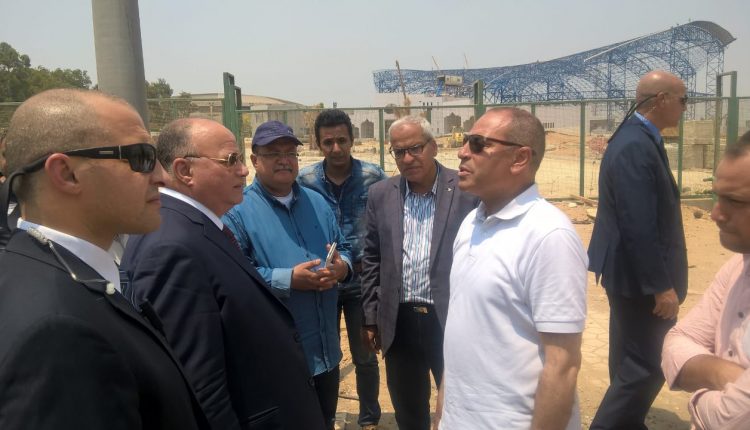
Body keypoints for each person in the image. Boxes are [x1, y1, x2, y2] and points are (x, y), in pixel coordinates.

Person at [0, 88, 208, 429]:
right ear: (66, 173)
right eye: (141, 157)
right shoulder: (57, 334)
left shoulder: (43, 271)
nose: (162, 176)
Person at [121, 118, 326, 429]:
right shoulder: (171, 246)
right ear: (184, 170)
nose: (243, 171)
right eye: (231, 160)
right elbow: (199, 388)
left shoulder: (194, 227)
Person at [433, 107, 587, 429]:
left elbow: (562, 365)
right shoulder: (471, 223)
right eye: (465, 141)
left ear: (519, 159)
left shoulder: (548, 235)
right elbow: (463, 329)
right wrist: (442, 414)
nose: (462, 152)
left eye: (478, 144)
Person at [223, 120, 352, 430]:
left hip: (326, 352)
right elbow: (233, 276)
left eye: (290, 153)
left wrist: (342, 267)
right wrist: (288, 279)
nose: (284, 160)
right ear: (254, 160)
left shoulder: (317, 203)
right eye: (273, 153)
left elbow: (344, 246)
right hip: (278, 359)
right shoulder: (237, 211)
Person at [361, 115, 478, 430]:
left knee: (459, 406)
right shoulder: (381, 194)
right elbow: (371, 257)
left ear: (434, 147)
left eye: (415, 148)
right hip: (399, 321)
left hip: (450, 318)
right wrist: (370, 317)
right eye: (399, 151)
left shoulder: (466, 191)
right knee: (408, 408)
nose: (407, 158)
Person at [588, 70, 689, 429]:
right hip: (639, 279)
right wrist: (660, 286)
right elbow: (638, 223)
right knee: (649, 363)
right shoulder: (635, 144)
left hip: (628, 274)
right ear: (661, 100)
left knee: (628, 358)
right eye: (683, 100)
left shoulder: (637, 137)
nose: (685, 108)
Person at [298, 109, 387, 430]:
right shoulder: (305, 181)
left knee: (365, 354)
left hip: (362, 280)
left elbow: (386, 223)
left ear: (352, 140)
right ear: (318, 144)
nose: (336, 148)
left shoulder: (373, 177)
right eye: (328, 142)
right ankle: (325, 416)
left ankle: (369, 419)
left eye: (342, 140)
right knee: (326, 354)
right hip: (322, 282)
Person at [661, 130, 750, 429]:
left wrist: (698, 401)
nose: (715, 214)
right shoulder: (736, 269)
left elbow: (730, 420)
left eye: (734, 201)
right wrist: (725, 375)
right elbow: (677, 341)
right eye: (717, 197)